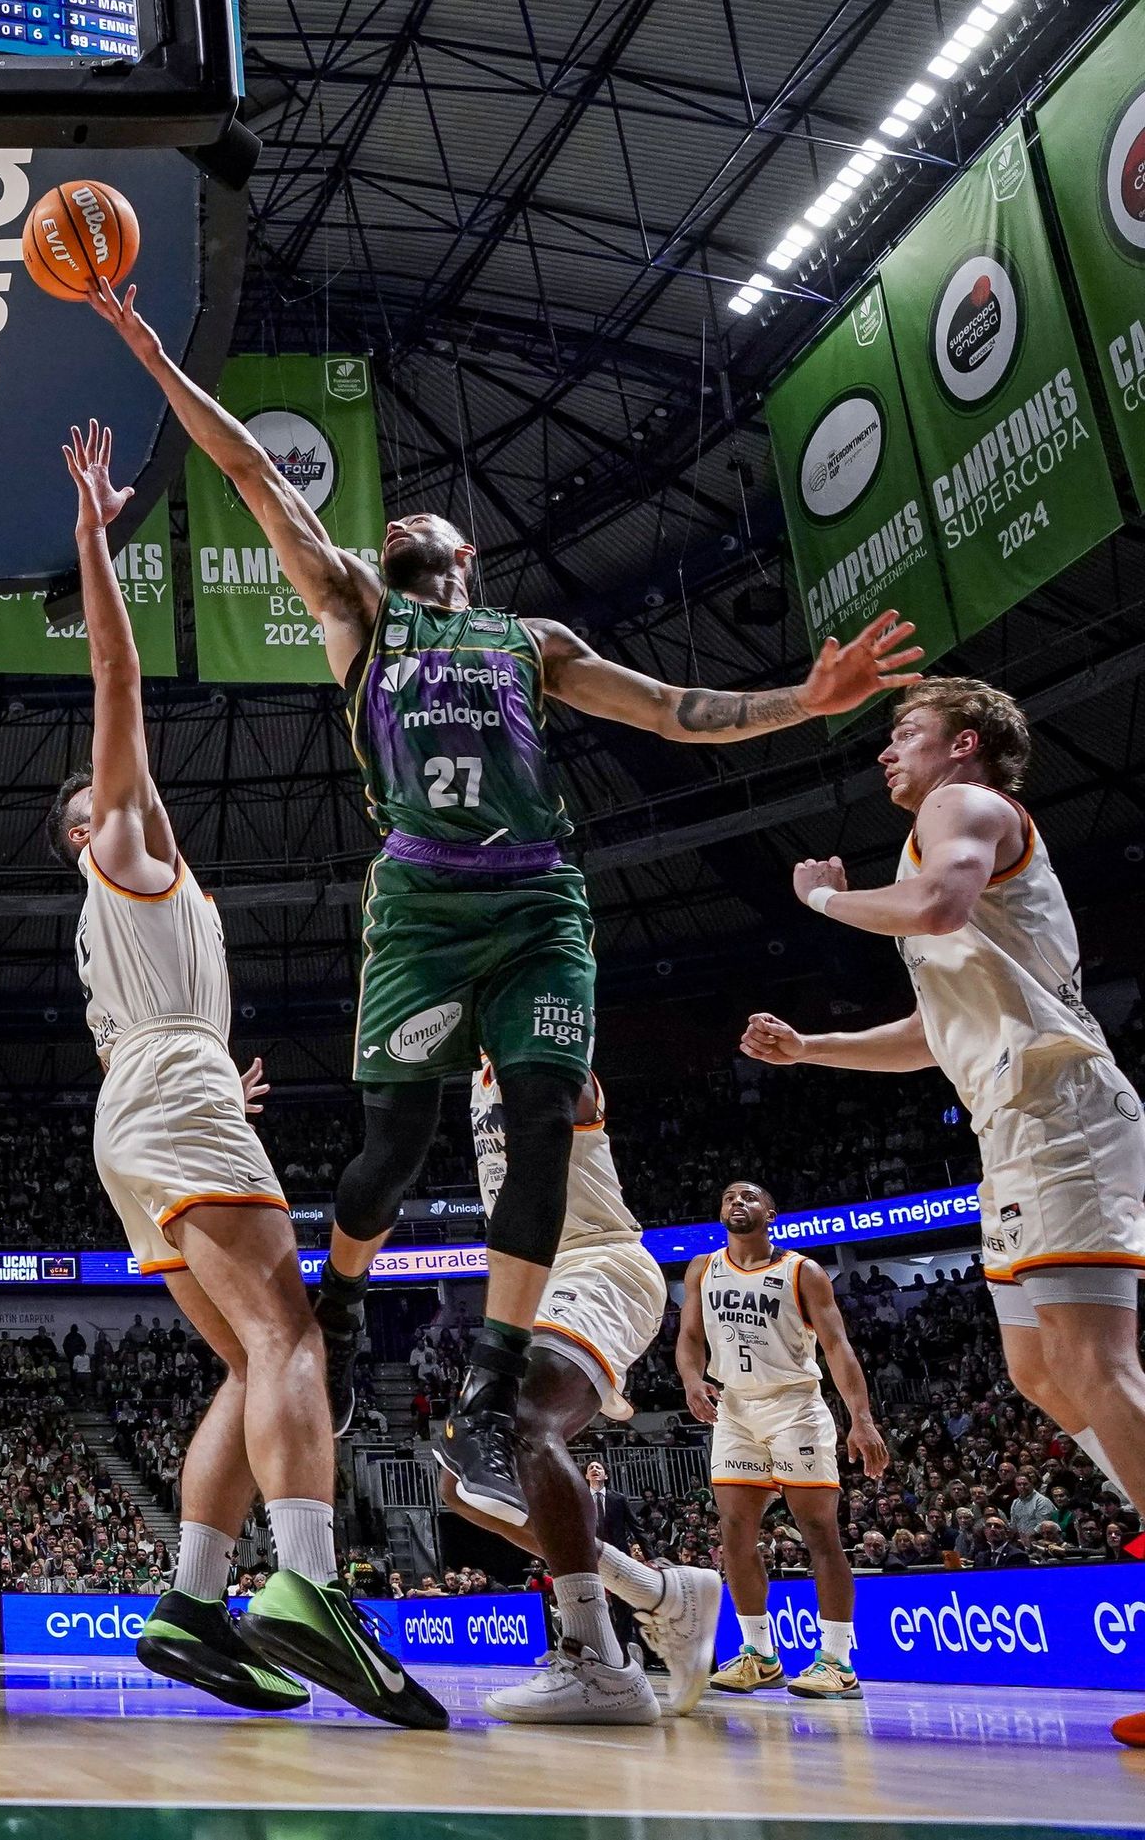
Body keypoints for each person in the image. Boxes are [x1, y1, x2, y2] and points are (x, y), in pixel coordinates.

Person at [86, 275, 922, 1523]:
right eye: (387, 526)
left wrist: (805, 702)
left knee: (541, 1119)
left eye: (423, 521)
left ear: (465, 556)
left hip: (538, 901)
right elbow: (257, 470)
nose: (401, 526)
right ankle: (348, 1293)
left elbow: (668, 711)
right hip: (420, 904)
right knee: (395, 1142)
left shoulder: (535, 644)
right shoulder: (358, 613)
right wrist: (154, 352)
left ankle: (484, 1391)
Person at [45, 422, 442, 1731]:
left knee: (244, 1362)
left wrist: (209, 1085)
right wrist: (96, 535)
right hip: (172, 1094)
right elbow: (117, 678)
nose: (131, 795)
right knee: (295, 1335)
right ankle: (312, 1589)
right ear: (94, 824)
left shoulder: (149, 911)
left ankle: (193, 1604)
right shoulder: (130, 843)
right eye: (111, 797)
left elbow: (141, 1044)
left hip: (147, 1109)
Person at [736, 679, 1145, 1745]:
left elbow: (934, 910)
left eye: (901, 733)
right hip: (1008, 1122)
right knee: (1036, 1373)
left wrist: (821, 901)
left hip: (1058, 1108)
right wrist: (814, 1049)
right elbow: (933, 1027)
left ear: (962, 745)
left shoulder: (958, 812)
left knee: (1096, 1366)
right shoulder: (936, 838)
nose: (885, 752)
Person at [438, 1059, 719, 1724]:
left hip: (598, 1260)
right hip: (537, 1284)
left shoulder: (544, 1045)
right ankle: (658, 1592)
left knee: (522, 1419)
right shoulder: (479, 1076)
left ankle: (598, 1656)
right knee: (463, 1485)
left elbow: (574, 1061)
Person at [677, 1181, 888, 1700]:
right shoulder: (702, 1268)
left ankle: (837, 1660)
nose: (737, 1203)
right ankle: (759, 1655)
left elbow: (837, 1348)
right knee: (733, 1531)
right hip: (735, 1409)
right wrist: (690, 1380)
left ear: (771, 1211)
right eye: (728, 1196)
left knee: (819, 1531)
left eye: (749, 1197)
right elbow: (688, 1337)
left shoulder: (803, 1272)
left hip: (795, 1406)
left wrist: (860, 1418)